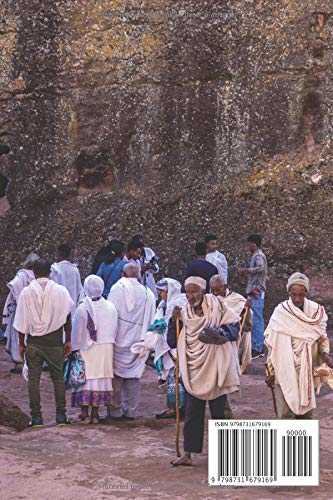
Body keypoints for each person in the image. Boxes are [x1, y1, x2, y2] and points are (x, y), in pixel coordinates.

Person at [168, 276, 240, 466]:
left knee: (219, 413)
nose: (191, 296)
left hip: (216, 366)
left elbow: (235, 327)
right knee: (192, 413)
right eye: (188, 292)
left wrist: (220, 334)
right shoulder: (183, 313)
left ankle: (225, 456)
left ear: (202, 291)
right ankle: (188, 454)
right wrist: (172, 321)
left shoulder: (218, 305)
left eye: (194, 291)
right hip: (194, 369)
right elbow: (172, 341)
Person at [14, 258, 74, 427]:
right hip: (55, 341)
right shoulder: (61, 291)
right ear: (50, 272)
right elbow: (68, 317)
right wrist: (68, 340)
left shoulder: (26, 292)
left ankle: (37, 417)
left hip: (34, 342)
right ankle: (61, 416)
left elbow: (21, 321)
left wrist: (21, 343)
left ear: (33, 272)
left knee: (33, 380)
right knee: (58, 379)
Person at [265, 272, 333, 419]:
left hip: (307, 369)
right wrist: (269, 371)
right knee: (285, 415)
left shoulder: (315, 312)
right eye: (294, 294)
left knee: (306, 415)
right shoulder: (280, 313)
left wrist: (325, 354)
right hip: (283, 368)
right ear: (288, 292)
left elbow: (322, 338)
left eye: (301, 295)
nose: (297, 299)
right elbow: (272, 344)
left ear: (306, 293)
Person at [107, 262, 156, 420]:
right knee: (133, 377)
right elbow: (151, 319)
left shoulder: (116, 289)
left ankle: (115, 411)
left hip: (118, 338)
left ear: (123, 274)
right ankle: (131, 411)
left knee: (116, 376)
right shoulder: (148, 293)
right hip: (138, 340)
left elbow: (110, 314)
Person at [71, 275, 118, 424]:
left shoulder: (82, 308)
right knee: (100, 379)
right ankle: (96, 413)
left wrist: (74, 347)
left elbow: (77, 331)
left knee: (86, 379)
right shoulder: (110, 307)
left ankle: (84, 411)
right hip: (105, 348)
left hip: (87, 348)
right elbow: (114, 328)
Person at [2, 252, 39, 373]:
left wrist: (18, 298)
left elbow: (14, 285)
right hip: (33, 310)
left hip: (20, 310)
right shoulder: (37, 275)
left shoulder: (22, 275)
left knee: (18, 335)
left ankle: (20, 362)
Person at [210, 275, 252, 374]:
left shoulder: (237, 299)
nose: (215, 293)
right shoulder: (210, 300)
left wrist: (247, 309)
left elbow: (246, 320)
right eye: (213, 290)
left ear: (225, 286)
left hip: (233, 332)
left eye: (218, 289)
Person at [238, 234, 268, 358]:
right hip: (255, 290)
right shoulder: (256, 255)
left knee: (256, 319)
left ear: (254, 244)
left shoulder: (258, 256)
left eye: (249, 244)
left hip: (257, 290)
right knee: (254, 318)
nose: (248, 247)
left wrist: (246, 270)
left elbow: (261, 268)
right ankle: (256, 345)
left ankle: (258, 347)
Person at [50, 244, 83, 316]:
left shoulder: (54, 269)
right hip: (72, 309)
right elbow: (79, 291)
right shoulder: (75, 270)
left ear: (60, 254)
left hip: (57, 309)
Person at [131, 234, 160, 299]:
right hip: (139, 285)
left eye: (141, 245)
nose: (140, 248)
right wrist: (142, 269)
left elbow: (156, 269)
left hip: (149, 282)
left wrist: (151, 266)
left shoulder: (148, 251)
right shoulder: (132, 256)